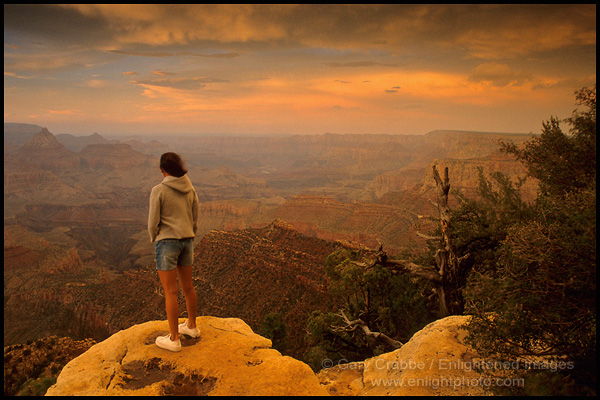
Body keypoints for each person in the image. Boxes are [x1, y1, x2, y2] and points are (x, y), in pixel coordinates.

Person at [148, 152, 200, 352]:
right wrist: (189, 234)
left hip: (167, 242)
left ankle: (174, 338)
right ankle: (192, 326)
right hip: (187, 241)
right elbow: (195, 217)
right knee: (188, 287)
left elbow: (153, 221)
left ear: (162, 169)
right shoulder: (190, 188)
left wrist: (155, 238)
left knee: (170, 291)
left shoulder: (159, 190)